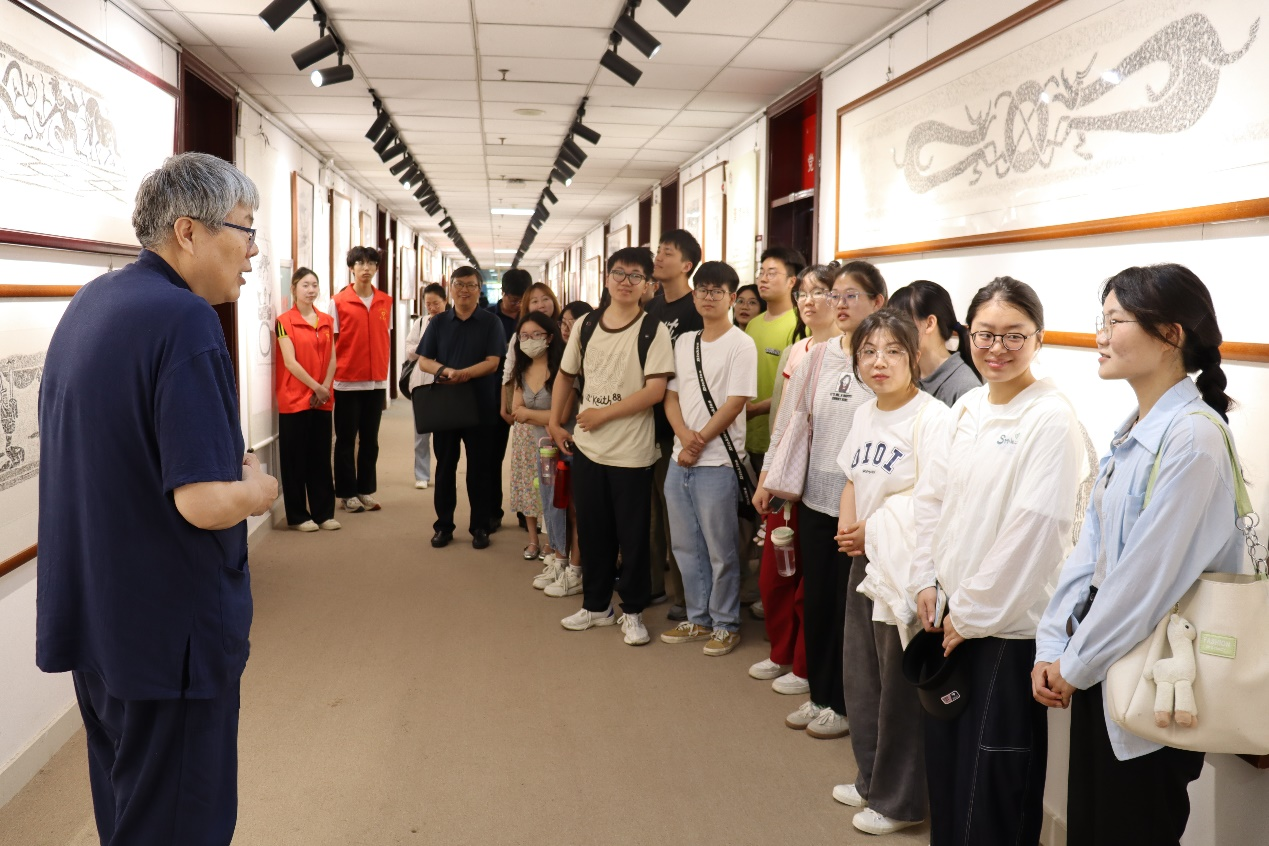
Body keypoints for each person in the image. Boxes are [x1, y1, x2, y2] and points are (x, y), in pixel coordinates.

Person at [37, 152, 278, 845]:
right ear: (188, 232)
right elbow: (202, 502)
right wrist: (257, 490)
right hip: (168, 634)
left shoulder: (93, 302)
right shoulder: (184, 321)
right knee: (181, 823)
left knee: (129, 811)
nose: (253, 251)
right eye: (245, 228)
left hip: (102, 621)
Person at [1033, 264, 1242, 846]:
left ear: (1170, 334)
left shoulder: (1195, 438)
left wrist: (1074, 664)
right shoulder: (1136, 430)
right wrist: (1054, 644)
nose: (1100, 337)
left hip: (1153, 677)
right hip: (1105, 661)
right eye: (1100, 321)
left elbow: (1145, 583)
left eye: (1114, 321)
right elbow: (1090, 553)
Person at [911, 276, 1089, 846]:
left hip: (1007, 631)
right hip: (953, 618)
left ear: (1039, 338)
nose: (997, 348)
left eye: (1014, 335)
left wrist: (971, 612)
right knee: (949, 779)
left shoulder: (1051, 419)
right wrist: (927, 579)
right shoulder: (967, 407)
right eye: (985, 334)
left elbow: (1035, 532)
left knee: (991, 791)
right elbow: (933, 500)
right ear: (967, 335)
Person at [831, 310, 953, 836]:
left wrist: (872, 530)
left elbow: (936, 500)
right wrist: (849, 527)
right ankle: (870, 779)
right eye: (868, 352)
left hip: (906, 566)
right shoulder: (865, 412)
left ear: (915, 357)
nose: (879, 362)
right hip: (866, 556)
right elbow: (852, 478)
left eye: (893, 351)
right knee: (862, 679)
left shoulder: (933, 418)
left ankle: (900, 802)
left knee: (898, 690)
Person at [753, 260, 886, 739]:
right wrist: (767, 479)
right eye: (836, 295)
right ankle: (822, 694)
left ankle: (847, 704)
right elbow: (788, 425)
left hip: (864, 505)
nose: (840, 304)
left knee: (853, 610)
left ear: (878, 302)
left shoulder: (883, 359)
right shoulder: (814, 357)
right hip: (814, 497)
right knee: (818, 602)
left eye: (852, 296)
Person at [548, 247, 674, 647]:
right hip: (588, 448)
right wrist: (554, 422)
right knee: (592, 530)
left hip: (632, 452)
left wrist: (603, 414)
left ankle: (633, 612)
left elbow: (655, 391)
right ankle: (597, 605)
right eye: (619, 273)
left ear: (647, 285)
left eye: (636, 276)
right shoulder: (586, 325)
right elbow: (565, 375)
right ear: (606, 278)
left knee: (633, 536)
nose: (625, 281)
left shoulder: (653, 329)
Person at [749, 264, 842, 695]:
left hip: (824, 482)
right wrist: (767, 476)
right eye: (803, 292)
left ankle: (806, 666)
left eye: (820, 292)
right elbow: (783, 420)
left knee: (812, 581)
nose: (808, 300)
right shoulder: (797, 351)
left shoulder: (850, 354)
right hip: (787, 476)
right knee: (776, 574)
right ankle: (781, 651)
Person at [659, 261, 757, 656]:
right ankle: (697, 619)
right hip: (679, 459)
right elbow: (670, 396)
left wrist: (697, 442)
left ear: (731, 298)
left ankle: (725, 624)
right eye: (702, 289)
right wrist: (684, 438)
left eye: (717, 291)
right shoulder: (685, 341)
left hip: (717, 463)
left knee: (721, 550)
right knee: (685, 547)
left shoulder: (741, 344)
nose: (708, 297)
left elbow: (736, 402)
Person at [417, 266, 507, 549]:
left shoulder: (491, 322)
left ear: (479, 290)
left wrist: (464, 373)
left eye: (471, 285)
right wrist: (446, 371)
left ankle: (480, 526)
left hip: (481, 406)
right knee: (445, 467)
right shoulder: (439, 322)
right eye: (459, 284)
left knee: (480, 469)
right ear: (451, 288)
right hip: (446, 406)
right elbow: (424, 360)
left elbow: (493, 362)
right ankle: (443, 526)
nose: (464, 290)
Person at [646, 228, 704, 618]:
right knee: (648, 513)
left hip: (679, 427)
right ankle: (653, 585)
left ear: (686, 265)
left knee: (679, 517)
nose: (659, 257)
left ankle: (685, 597)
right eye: (659, 251)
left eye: (667, 252)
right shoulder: (652, 308)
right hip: (645, 423)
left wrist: (685, 430)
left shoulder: (695, 309)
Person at [510, 313, 576, 595]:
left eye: (536, 335)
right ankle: (559, 561)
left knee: (570, 509)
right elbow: (515, 412)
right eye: (524, 336)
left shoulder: (563, 369)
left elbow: (562, 416)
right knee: (550, 506)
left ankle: (572, 567)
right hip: (543, 450)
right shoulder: (521, 370)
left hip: (567, 448)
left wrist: (530, 414)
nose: (529, 341)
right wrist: (540, 416)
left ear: (549, 337)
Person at [274, 267, 339, 531]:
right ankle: (298, 516)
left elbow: (332, 358)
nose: (311, 290)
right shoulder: (284, 321)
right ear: (294, 289)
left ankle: (324, 513)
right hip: (294, 399)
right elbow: (290, 362)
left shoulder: (326, 320)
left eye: (314, 285)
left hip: (322, 399)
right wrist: (316, 387)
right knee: (295, 460)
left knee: (321, 458)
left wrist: (324, 388)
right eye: (305, 285)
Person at [329, 245, 392, 513]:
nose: (366, 268)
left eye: (371, 263)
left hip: (375, 382)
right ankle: (346, 493)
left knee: (370, 439)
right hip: (347, 381)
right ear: (351, 268)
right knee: (346, 440)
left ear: (376, 268)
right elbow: (331, 344)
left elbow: (384, 338)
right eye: (360, 263)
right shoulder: (338, 301)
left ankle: (365, 489)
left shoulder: (385, 301)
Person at [505, 281, 560, 559]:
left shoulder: (561, 345)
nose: (540, 304)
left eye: (545, 298)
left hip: (554, 434)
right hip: (528, 435)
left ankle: (553, 540)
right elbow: (515, 404)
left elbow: (561, 412)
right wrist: (519, 412)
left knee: (553, 488)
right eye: (534, 300)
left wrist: (529, 414)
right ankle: (533, 539)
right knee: (529, 484)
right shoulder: (521, 355)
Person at [745, 246, 803, 473]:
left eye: (771, 273)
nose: (763, 279)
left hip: (778, 437)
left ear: (791, 281)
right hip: (745, 434)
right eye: (761, 272)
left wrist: (757, 409)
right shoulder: (753, 324)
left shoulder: (800, 324)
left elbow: (799, 386)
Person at [889, 280, 982, 406]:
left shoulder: (965, 388)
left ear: (930, 324)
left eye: (901, 322)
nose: (892, 331)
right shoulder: (906, 374)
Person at [488, 268, 531, 530]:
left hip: (530, 397)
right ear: (502, 294)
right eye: (513, 299)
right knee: (493, 458)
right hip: (496, 395)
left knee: (528, 459)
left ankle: (527, 513)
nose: (517, 305)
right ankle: (493, 512)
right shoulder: (488, 318)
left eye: (522, 300)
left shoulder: (533, 319)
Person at [404, 283, 448, 489]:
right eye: (428, 304)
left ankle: (444, 473)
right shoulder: (421, 322)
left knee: (444, 434)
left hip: (444, 384)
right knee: (420, 433)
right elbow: (409, 350)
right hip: (421, 385)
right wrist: (426, 345)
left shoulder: (452, 323)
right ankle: (422, 475)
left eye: (436, 303)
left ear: (445, 301)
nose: (432, 308)